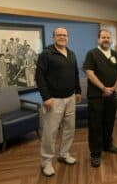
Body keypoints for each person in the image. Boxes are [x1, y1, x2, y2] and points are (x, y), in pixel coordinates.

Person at [36, 27, 82, 176]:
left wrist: (78, 90)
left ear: (68, 37)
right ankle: (46, 162)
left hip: (70, 98)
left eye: (64, 35)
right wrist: (46, 97)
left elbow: (75, 74)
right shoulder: (47, 54)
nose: (62, 37)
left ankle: (64, 154)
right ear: (53, 37)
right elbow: (40, 77)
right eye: (59, 35)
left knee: (69, 128)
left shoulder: (72, 54)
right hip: (54, 100)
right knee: (50, 132)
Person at [83, 29, 117, 167]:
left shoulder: (116, 54)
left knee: (109, 122)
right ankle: (95, 153)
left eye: (108, 37)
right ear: (98, 39)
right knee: (95, 125)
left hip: (111, 95)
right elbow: (89, 73)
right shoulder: (92, 54)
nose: (106, 39)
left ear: (111, 40)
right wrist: (103, 88)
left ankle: (107, 145)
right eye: (103, 37)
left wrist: (114, 87)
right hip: (96, 96)